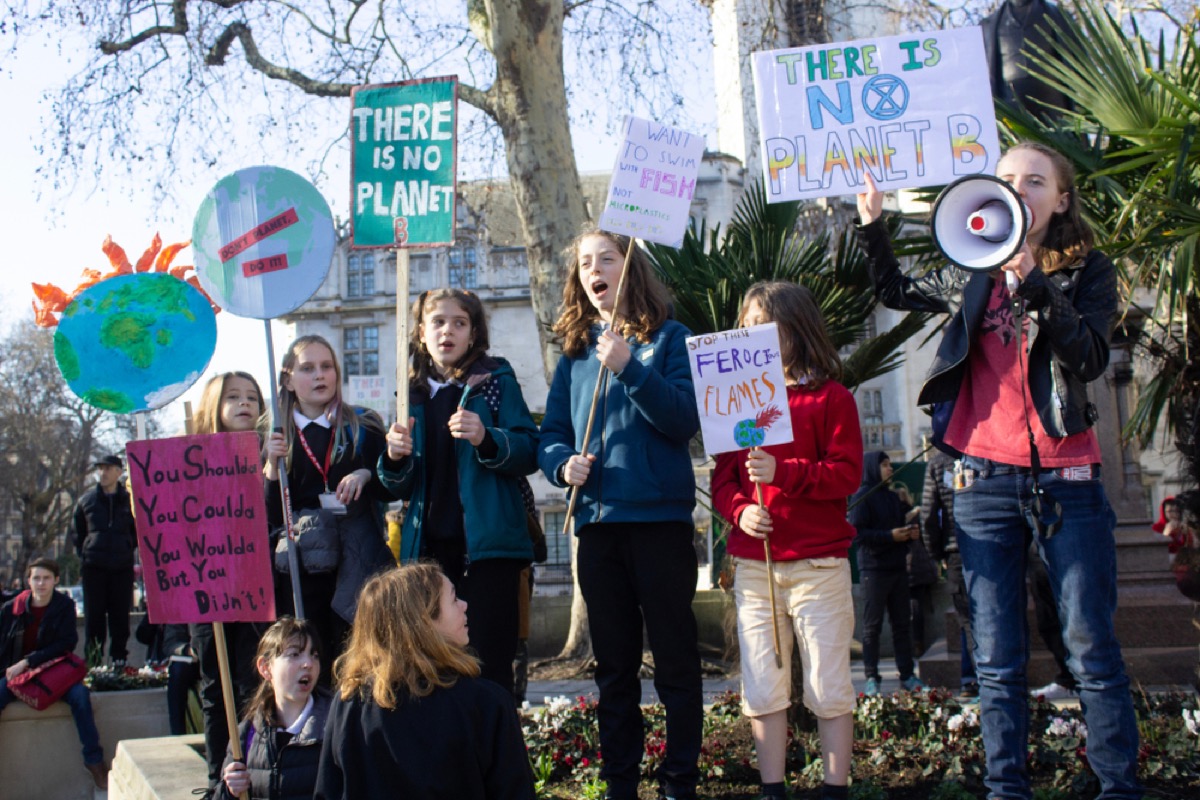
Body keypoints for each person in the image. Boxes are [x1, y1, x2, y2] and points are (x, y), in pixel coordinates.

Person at [857, 142, 1141, 799]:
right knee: (996, 655)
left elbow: (1092, 357)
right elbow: (897, 290)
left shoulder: (1087, 271)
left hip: (1066, 479)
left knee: (1089, 643)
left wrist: (1037, 285)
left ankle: (1119, 787)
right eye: (1007, 178)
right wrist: (873, 224)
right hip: (982, 480)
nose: (1018, 189)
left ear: (1060, 200)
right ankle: (1006, 789)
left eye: (1035, 181)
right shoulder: (971, 266)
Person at [538, 226, 703, 800]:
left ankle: (680, 779)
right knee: (614, 670)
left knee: (677, 663)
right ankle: (621, 784)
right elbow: (551, 435)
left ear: (630, 267)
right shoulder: (575, 356)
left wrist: (632, 367)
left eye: (605, 258)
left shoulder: (673, 338)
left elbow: (684, 419)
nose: (593, 269)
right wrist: (563, 467)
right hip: (599, 529)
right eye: (584, 262)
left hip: (659, 524)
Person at [711, 281, 863, 800]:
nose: (750, 335)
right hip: (756, 568)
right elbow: (724, 480)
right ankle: (771, 788)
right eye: (745, 325)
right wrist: (740, 511)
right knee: (762, 687)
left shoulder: (832, 397)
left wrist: (784, 471)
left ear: (794, 329)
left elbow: (846, 475)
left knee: (828, 684)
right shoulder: (737, 403)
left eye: (762, 325)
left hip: (820, 565)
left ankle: (833, 788)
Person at [379, 288, 538, 693]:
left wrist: (487, 438)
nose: (447, 331)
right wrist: (394, 458)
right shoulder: (409, 393)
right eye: (438, 322)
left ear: (473, 334)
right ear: (420, 333)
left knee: (491, 668)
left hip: (489, 550)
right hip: (428, 554)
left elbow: (528, 450)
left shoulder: (495, 380)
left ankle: (496, 751)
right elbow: (397, 486)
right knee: (434, 670)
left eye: (459, 323)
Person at [313, 563, 535, 799]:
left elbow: (328, 792)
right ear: (424, 622)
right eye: (452, 599)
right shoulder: (485, 703)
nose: (464, 604)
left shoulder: (349, 704)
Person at [264, 335, 397, 669]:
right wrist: (269, 468)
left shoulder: (363, 425)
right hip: (301, 568)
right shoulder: (273, 434)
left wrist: (368, 473)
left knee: (357, 658)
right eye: (307, 368)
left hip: (355, 563)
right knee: (313, 655)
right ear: (288, 379)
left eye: (326, 367)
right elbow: (266, 514)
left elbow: (390, 488)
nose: (319, 375)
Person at [191, 371, 273, 792]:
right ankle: (216, 782)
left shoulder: (272, 453)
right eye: (234, 397)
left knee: (252, 682)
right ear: (213, 407)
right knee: (214, 686)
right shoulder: (189, 458)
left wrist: (272, 472)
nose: (245, 404)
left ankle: (252, 775)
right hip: (206, 590)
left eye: (252, 397)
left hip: (255, 587)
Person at [0, 558, 107, 789]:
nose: (41, 583)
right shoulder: (12, 609)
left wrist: (28, 662)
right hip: (17, 676)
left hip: (52, 672)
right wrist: (16, 668)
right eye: (36, 578)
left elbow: (66, 643)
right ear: (28, 580)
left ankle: (95, 762)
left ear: (56, 580)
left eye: (46, 578)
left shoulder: (64, 606)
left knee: (80, 696)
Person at [217, 617, 329, 800]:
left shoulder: (335, 726)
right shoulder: (247, 735)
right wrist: (229, 791)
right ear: (265, 668)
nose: (308, 663)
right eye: (295, 654)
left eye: (314, 655)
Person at [850, 451, 923, 695]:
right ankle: (871, 677)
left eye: (890, 464)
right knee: (872, 627)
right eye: (884, 465)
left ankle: (907, 675)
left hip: (897, 568)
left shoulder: (893, 498)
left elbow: (900, 526)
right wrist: (889, 536)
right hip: (874, 570)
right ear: (872, 468)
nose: (890, 469)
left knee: (902, 624)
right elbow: (858, 535)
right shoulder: (863, 497)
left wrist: (908, 533)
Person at [920, 449, 978, 699]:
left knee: (967, 620)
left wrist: (937, 554)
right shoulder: (982, 448)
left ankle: (973, 679)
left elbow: (927, 515)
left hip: (956, 550)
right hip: (997, 544)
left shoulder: (938, 461)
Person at [73, 452, 138, 666]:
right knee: (94, 618)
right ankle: (93, 661)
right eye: (100, 468)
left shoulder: (130, 500)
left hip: (122, 567)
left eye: (107, 468)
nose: (103, 472)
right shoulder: (86, 501)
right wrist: (86, 553)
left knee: (120, 616)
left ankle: (119, 659)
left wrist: (126, 548)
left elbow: (137, 531)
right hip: (94, 567)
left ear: (119, 472)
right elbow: (78, 533)